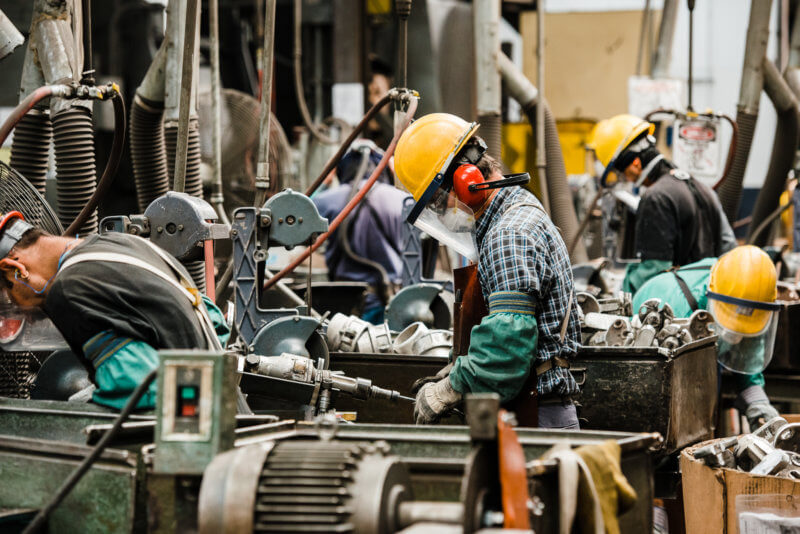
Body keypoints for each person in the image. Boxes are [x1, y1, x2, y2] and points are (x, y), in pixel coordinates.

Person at [393, 113, 581, 428]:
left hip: (537, 419)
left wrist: (449, 388)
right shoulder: (515, 214)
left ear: (466, 182)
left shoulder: (508, 235)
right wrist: (459, 370)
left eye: (438, 203)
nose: (441, 215)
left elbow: (506, 349)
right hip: (532, 411)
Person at [0, 211, 229, 410]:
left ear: (15, 269)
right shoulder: (124, 245)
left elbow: (138, 389)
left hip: (183, 426)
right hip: (224, 407)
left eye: (9, 297)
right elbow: (215, 321)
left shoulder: (68, 288)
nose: (23, 312)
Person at [633, 245, 781, 429]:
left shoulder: (735, 283)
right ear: (712, 298)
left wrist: (756, 400)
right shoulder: (674, 309)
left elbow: (747, 354)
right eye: (731, 329)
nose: (735, 337)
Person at [591, 114, 736, 294]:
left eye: (623, 173)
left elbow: (653, 275)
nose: (626, 179)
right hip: (710, 302)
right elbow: (729, 248)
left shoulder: (656, 198)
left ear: (635, 164)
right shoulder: (702, 188)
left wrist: (619, 289)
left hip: (678, 311)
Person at [313, 140, 411, 324]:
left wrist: (324, 182)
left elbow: (294, 218)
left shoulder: (327, 200)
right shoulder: (402, 200)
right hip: (389, 305)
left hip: (341, 308)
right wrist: (401, 180)